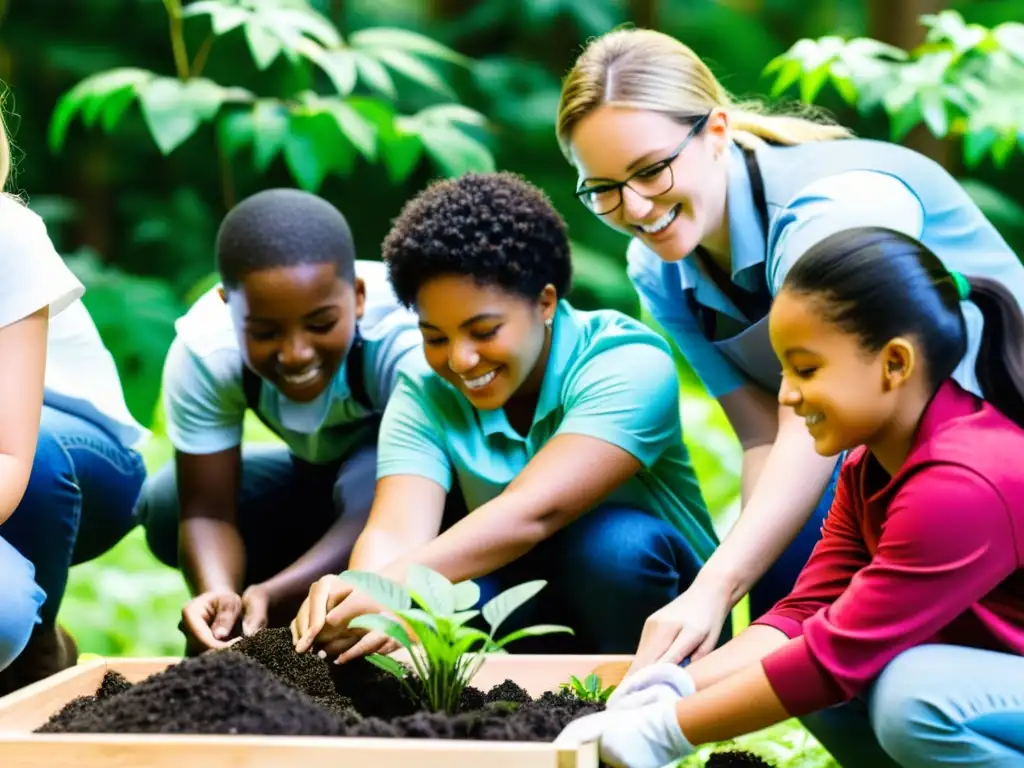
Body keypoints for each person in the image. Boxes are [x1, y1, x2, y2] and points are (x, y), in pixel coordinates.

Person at [555, 26, 1024, 671]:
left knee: (808, 635)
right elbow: (763, 438)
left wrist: (712, 589)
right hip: (872, 455)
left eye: (651, 170)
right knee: (780, 612)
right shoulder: (659, 268)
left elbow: (805, 423)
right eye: (602, 188)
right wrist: (747, 592)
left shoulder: (830, 210)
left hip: (983, 456)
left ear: (716, 131)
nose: (634, 206)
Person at [554, 226, 1024, 768]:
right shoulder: (868, 467)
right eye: (783, 370)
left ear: (894, 364)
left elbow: (834, 657)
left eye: (806, 369)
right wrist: (670, 688)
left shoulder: (961, 484)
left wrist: (665, 732)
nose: (786, 395)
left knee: (913, 694)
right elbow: (803, 615)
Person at [289, 171, 719, 659]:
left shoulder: (626, 361)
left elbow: (532, 513)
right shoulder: (425, 392)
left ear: (545, 303)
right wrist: (364, 600)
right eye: (435, 337)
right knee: (452, 596)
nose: (461, 360)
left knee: (613, 546)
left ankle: (646, 708)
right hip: (529, 602)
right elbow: (395, 530)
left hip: (659, 610)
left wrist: (392, 585)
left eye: (485, 330)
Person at [136, 188, 422, 654]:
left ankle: (307, 606)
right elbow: (206, 510)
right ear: (228, 305)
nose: (295, 353)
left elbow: (394, 504)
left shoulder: (405, 336)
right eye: (266, 332)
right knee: (167, 501)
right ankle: (248, 621)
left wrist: (279, 589)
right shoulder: (207, 349)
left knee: (365, 474)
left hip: (404, 497)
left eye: (320, 324)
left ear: (359, 297)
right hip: (311, 482)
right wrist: (218, 590)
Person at [0, 116, 148, 694]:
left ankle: (36, 660)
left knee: (37, 458)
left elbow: (13, 454)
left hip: (75, 461)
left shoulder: (7, 234)